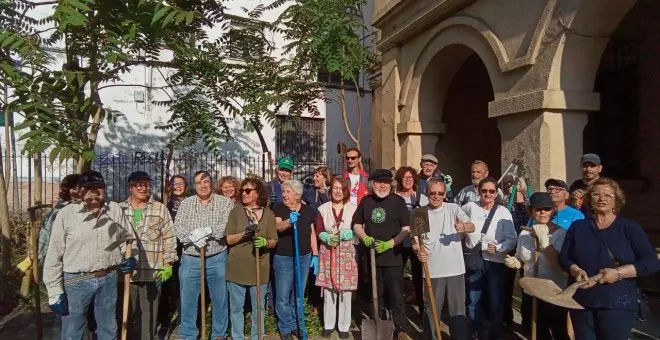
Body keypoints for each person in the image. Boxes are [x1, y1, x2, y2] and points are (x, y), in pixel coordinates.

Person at [559, 178, 659, 339]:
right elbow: (564, 257)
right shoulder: (579, 227)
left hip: (617, 303)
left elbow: (651, 262)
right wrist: (575, 269)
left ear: (616, 200)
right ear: (589, 199)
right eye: (596, 194)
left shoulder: (629, 228)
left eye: (607, 195)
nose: (601, 198)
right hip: (581, 301)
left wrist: (618, 273)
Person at [43, 170, 136, 340]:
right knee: (73, 333)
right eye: (88, 188)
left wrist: (128, 257)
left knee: (108, 330)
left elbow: (127, 239)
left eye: (98, 187)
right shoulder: (66, 214)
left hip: (108, 279)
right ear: (80, 190)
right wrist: (54, 290)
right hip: (76, 282)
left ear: (104, 189)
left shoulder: (114, 209)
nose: (94, 192)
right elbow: (54, 254)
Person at [173, 170, 235, 340]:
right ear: (194, 186)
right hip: (191, 258)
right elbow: (178, 226)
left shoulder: (224, 203)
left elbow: (226, 224)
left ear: (211, 183)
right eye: (199, 182)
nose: (203, 185)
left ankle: (219, 334)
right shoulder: (186, 204)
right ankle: (188, 334)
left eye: (206, 181)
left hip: (217, 257)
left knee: (220, 298)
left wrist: (209, 231)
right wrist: (192, 237)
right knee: (188, 299)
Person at [352, 169, 411, 338]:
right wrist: (364, 238)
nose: (383, 185)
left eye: (386, 182)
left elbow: (406, 229)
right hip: (371, 258)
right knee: (376, 294)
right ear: (372, 184)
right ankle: (380, 321)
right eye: (379, 182)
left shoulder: (398, 202)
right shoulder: (366, 201)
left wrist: (390, 243)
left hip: (393, 257)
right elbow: (356, 224)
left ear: (391, 184)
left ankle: (400, 329)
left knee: (396, 294)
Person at [413, 178, 474, 340]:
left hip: (455, 269)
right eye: (433, 193)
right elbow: (416, 242)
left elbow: (471, 226)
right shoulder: (419, 213)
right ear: (427, 193)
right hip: (432, 269)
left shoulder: (453, 208)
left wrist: (464, 227)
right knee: (431, 311)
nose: (436, 196)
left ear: (445, 194)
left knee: (458, 310)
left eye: (440, 193)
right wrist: (419, 252)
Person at [119, 171, 178, 340]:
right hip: (127, 274)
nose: (144, 188)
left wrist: (168, 263)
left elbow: (169, 237)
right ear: (131, 187)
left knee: (150, 315)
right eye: (139, 184)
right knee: (126, 314)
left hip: (153, 271)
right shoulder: (119, 209)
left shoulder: (160, 208)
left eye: (146, 184)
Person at [505, 192, 569, 339]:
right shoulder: (524, 234)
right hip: (530, 292)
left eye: (546, 209)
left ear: (553, 210)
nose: (542, 212)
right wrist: (516, 263)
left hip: (554, 292)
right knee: (535, 331)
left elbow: (560, 265)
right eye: (538, 209)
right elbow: (522, 259)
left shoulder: (561, 234)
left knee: (559, 332)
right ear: (531, 210)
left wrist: (545, 243)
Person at [462, 177, 517, 340]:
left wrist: (500, 248)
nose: (487, 194)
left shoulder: (503, 212)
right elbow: (453, 216)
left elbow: (512, 238)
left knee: (495, 302)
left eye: (491, 191)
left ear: (496, 193)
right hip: (475, 259)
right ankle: (474, 334)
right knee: (473, 300)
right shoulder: (470, 207)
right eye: (484, 190)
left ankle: (495, 335)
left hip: (495, 263)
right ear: (478, 191)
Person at [225, 177, 278, 340]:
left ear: (258, 193)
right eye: (242, 190)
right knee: (236, 308)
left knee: (258, 308)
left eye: (248, 190)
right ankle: (238, 337)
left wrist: (265, 243)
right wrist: (245, 234)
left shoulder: (268, 214)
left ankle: (257, 336)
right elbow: (228, 239)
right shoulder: (236, 212)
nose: (244, 193)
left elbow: (273, 241)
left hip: (259, 269)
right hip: (237, 269)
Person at [271, 180, 319, 340]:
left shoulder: (307, 210)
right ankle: (286, 327)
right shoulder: (278, 208)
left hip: (304, 257)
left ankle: (297, 325)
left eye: (287, 191)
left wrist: (316, 255)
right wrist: (289, 221)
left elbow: (312, 232)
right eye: (283, 191)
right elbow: (278, 227)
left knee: (298, 294)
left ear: (297, 195)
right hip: (284, 257)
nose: (284, 194)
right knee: (283, 296)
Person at [314, 178, 358, 339]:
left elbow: (359, 228)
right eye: (334, 188)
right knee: (329, 289)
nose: (337, 191)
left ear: (345, 190)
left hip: (347, 253)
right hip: (328, 251)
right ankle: (328, 325)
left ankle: (344, 326)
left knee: (345, 291)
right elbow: (318, 229)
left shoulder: (353, 209)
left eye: (341, 188)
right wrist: (324, 235)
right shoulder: (323, 208)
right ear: (330, 190)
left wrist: (350, 234)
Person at [394, 166, 424, 318]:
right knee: (397, 276)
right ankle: (398, 311)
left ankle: (423, 311)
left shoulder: (420, 197)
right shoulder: (394, 197)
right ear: (400, 180)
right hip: (399, 242)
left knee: (419, 277)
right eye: (404, 178)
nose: (407, 180)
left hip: (416, 243)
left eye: (410, 178)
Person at [568, 153, 602, 217]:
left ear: (600, 168)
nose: (588, 169)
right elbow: (566, 204)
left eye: (592, 166)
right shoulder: (576, 184)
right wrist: (572, 198)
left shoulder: (604, 185)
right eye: (585, 166)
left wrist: (587, 198)